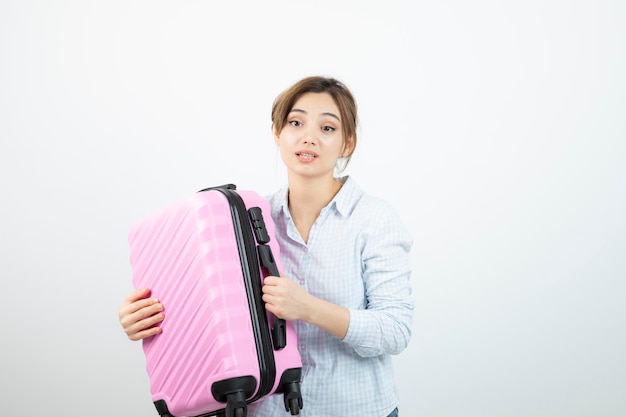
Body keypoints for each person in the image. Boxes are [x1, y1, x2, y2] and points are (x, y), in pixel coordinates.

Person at [119, 76, 414, 417]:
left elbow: (395, 330)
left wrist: (308, 308)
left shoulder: (374, 219)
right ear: (278, 133)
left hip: (356, 409)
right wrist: (146, 317)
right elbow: (209, 304)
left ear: (347, 143)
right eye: (296, 122)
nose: (309, 136)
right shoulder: (246, 217)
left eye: (328, 128)